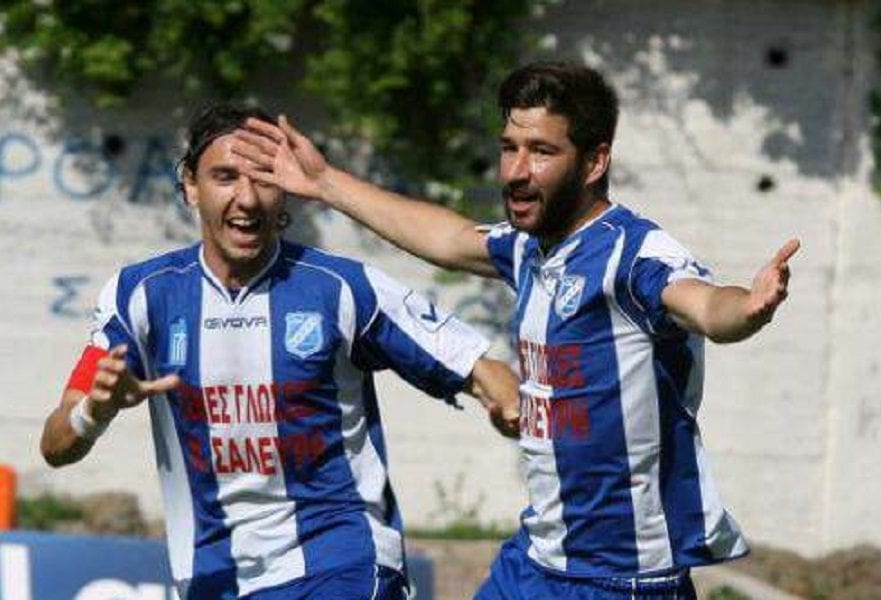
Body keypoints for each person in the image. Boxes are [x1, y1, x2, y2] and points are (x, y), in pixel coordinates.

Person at [234, 61, 800, 600]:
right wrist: (325, 182)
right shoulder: (530, 248)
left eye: (542, 151)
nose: (516, 171)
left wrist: (747, 309)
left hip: (622, 580)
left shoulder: (633, 254)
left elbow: (704, 305)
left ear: (594, 161)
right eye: (510, 148)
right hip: (535, 562)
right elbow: (450, 240)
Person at [40, 103, 521, 600]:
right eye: (225, 177)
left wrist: (509, 405)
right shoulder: (141, 296)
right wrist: (94, 412)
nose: (247, 199)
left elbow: (482, 368)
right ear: (190, 185)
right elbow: (56, 445)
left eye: (264, 179)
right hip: (213, 578)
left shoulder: (341, 288)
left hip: (341, 566)